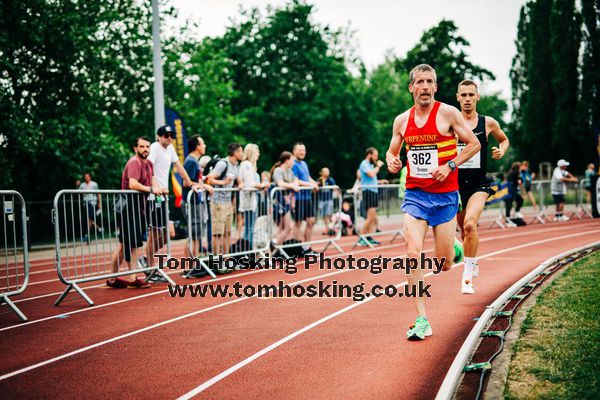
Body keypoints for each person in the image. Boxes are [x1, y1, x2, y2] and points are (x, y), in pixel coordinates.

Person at [386, 64, 480, 341]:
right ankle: (421, 319)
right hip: (415, 195)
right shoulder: (402, 120)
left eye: (430, 82)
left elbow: (473, 144)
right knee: (412, 253)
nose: (425, 86)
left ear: (435, 88)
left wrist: (451, 165)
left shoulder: (448, 113)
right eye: (420, 82)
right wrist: (392, 161)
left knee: (444, 264)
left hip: (445, 197)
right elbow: (393, 154)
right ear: (411, 88)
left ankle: (453, 247)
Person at [455, 79, 510, 294]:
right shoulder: (452, 122)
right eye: (464, 95)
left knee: (470, 225)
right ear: (457, 98)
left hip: (479, 184)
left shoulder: (488, 123)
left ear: (478, 97)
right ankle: (473, 259)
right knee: (464, 233)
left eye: (471, 95)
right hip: (456, 185)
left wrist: (501, 150)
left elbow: (504, 140)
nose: (467, 99)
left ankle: (467, 276)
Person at [107, 137, 161, 289]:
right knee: (131, 244)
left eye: (147, 146)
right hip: (128, 207)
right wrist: (151, 189)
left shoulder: (149, 163)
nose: (145, 149)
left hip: (139, 207)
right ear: (135, 148)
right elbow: (133, 184)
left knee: (125, 244)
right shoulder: (134, 162)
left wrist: (159, 189)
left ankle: (112, 279)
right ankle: (133, 278)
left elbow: (153, 180)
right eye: (142, 146)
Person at [143, 125, 195, 282]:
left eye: (171, 135)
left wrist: (189, 182)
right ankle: (150, 268)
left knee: (168, 234)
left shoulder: (170, 148)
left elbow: (179, 167)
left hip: (164, 196)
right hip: (154, 197)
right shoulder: (154, 147)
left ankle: (146, 258)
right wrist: (155, 187)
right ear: (158, 137)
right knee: (155, 233)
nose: (169, 137)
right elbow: (148, 169)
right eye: (166, 135)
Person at [207, 143, 244, 255]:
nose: (242, 154)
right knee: (218, 233)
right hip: (218, 202)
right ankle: (216, 259)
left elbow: (240, 181)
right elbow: (209, 179)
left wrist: (241, 184)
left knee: (228, 232)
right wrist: (223, 182)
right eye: (241, 151)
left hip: (228, 203)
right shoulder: (223, 164)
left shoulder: (236, 166)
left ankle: (226, 258)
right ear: (235, 152)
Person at [181, 135, 214, 263]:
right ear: (197, 146)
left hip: (196, 202)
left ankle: (193, 264)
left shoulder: (194, 161)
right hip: (191, 203)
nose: (205, 146)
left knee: (196, 235)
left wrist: (203, 181)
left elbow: (194, 180)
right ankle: (189, 266)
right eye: (203, 143)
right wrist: (204, 185)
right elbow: (185, 183)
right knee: (193, 235)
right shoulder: (191, 161)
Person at [291, 142, 319, 256]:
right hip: (298, 198)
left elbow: (307, 177)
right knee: (297, 223)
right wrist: (310, 185)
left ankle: (307, 247)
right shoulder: (293, 164)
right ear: (294, 151)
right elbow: (296, 180)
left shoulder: (304, 163)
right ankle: (299, 248)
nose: (302, 152)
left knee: (311, 221)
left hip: (307, 197)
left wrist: (314, 183)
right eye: (300, 150)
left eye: (304, 150)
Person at [270, 151, 301, 253]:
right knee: (286, 228)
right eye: (292, 160)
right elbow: (280, 183)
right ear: (287, 160)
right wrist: (292, 186)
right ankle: (274, 249)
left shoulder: (289, 171)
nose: (293, 162)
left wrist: (295, 184)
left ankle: (276, 249)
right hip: (278, 201)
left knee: (283, 228)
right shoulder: (278, 170)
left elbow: (296, 180)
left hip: (286, 202)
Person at [239, 144, 268, 249]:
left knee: (250, 227)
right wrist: (262, 185)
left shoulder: (250, 166)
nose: (259, 154)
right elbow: (250, 183)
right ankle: (247, 251)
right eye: (257, 151)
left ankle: (248, 251)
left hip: (252, 200)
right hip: (249, 201)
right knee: (249, 228)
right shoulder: (246, 164)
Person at [357, 148, 384, 246]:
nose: (376, 158)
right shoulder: (364, 163)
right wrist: (378, 166)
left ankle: (368, 237)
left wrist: (381, 182)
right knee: (370, 217)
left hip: (373, 191)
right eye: (375, 155)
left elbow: (372, 179)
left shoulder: (370, 165)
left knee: (372, 217)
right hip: (368, 191)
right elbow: (371, 174)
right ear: (369, 154)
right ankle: (362, 237)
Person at [79, 172, 102, 242]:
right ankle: (99, 229)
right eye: (85, 177)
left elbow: (98, 193)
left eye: (87, 176)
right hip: (85, 204)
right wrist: (77, 186)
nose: (86, 178)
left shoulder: (94, 184)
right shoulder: (82, 185)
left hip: (92, 203)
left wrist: (99, 203)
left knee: (89, 219)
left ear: (90, 177)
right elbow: (78, 193)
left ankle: (87, 235)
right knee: (88, 219)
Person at [318, 167, 336, 236]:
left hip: (329, 200)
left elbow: (334, 188)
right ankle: (328, 228)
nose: (327, 172)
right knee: (323, 216)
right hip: (321, 200)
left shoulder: (330, 180)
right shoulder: (319, 180)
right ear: (322, 172)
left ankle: (331, 228)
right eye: (325, 171)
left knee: (329, 215)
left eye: (328, 171)